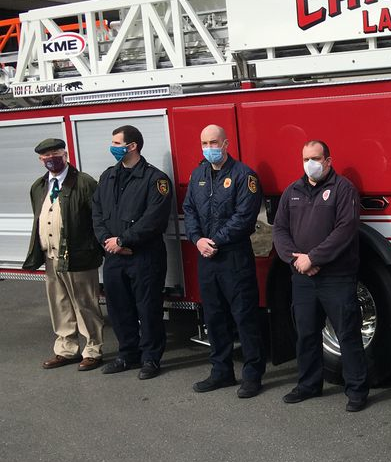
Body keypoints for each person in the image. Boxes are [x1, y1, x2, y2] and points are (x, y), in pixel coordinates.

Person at [272, 140, 369, 411]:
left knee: (347, 334)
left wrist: (313, 258)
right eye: (305, 159)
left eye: (315, 158)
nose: (310, 164)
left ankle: (357, 391)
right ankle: (308, 385)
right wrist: (296, 259)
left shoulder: (343, 189)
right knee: (306, 333)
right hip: (302, 277)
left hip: (336, 277)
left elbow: (345, 230)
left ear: (328, 160)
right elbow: (279, 230)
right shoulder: (292, 191)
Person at [183, 125, 265, 398]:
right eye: (204, 142)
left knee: (245, 317)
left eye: (214, 142)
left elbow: (244, 218)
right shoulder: (198, 174)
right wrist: (197, 239)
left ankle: (253, 375)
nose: (209, 148)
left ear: (226, 143)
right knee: (214, 317)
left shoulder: (244, 176)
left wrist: (214, 241)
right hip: (206, 257)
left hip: (234, 257)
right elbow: (189, 209)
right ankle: (221, 372)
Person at [91, 125, 173, 380]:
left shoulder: (155, 179)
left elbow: (154, 220)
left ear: (133, 145)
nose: (113, 146)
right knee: (118, 308)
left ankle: (150, 359)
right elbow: (97, 213)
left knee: (148, 309)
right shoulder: (108, 177)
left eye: (117, 142)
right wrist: (107, 240)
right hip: (114, 256)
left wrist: (124, 240)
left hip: (145, 257)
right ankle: (128, 355)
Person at [23, 138, 105, 372]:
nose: (50, 158)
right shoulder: (39, 186)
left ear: (65, 154)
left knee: (85, 304)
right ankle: (66, 349)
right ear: (40, 160)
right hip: (51, 256)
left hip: (79, 256)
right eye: (45, 156)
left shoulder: (84, 182)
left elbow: (98, 218)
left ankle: (93, 349)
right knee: (59, 304)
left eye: (55, 153)